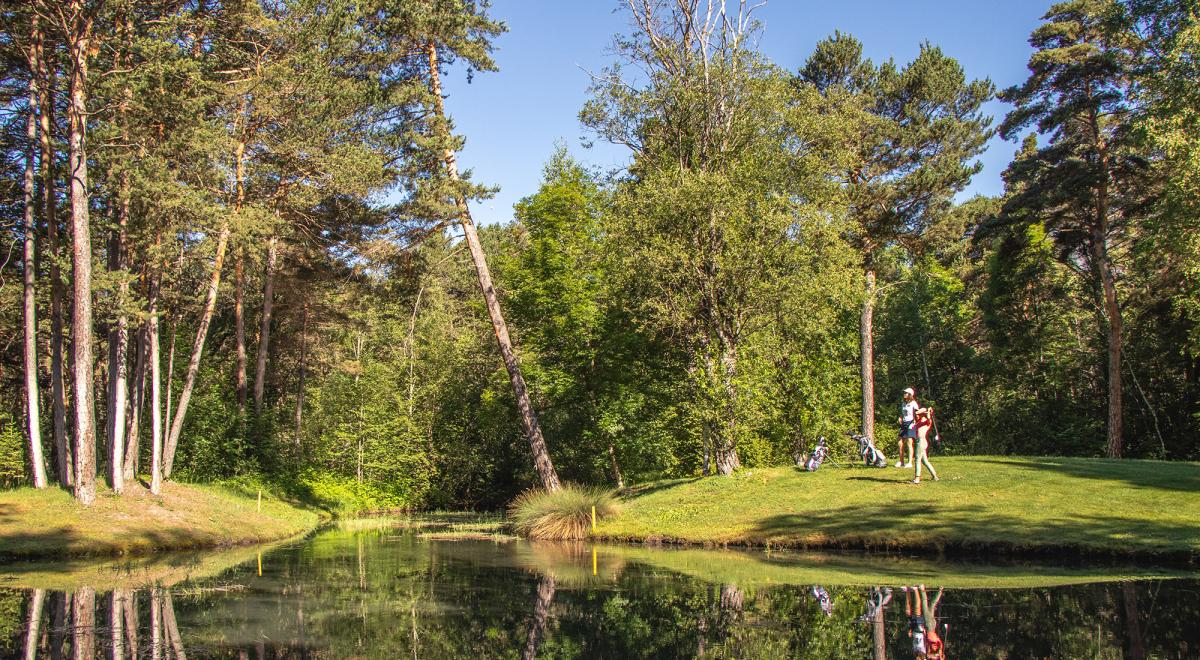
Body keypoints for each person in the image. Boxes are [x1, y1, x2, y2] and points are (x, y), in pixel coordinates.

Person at [912, 400, 939, 484]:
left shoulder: (927, 421)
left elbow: (926, 417)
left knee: (917, 459)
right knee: (924, 461)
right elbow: (915, 414)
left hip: (921, 441)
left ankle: (917, 478)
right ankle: (934, 476)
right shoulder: (919, 421)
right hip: (920, 441)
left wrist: (927, 411)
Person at [895, 387, 918, 468]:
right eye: (904, 393)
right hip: (904, 424)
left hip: (911, 423)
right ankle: (901, 462)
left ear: (910, 394)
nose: (904, 394)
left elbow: (917, 414)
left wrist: (914, 422)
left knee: (909, 442)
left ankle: (910, 462)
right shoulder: (903, 403)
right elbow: (902, 413)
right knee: (900, 443)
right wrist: (900, 417)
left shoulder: (913, 403)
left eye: (906, 393)